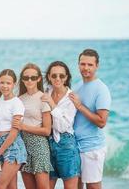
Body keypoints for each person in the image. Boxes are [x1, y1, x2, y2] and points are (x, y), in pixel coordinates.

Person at [69, 49, 112, 189]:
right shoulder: (77, 87)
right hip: (75, 147)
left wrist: (80, 106)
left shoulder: (101, 89)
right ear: (78, 65)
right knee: (76, 186)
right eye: (82, 64)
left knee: (93, 187)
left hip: (92, 148)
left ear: (97, 66)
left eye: (90, 64)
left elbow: (102, 121)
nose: (85, 68)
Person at [12, 63, 52, 189]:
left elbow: (47, 131)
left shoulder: (43, 98)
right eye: (26, 77)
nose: (29, 80)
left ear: (39, 79)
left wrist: (24, 127)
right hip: (23, 146)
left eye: (33, 78)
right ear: (22, 79)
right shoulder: (19, 99)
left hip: (39, 146)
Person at [41, 61, 80, 189]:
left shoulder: (71, 98)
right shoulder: (46, 91)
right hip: (47, 145)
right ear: (49, 77)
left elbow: (63, 127)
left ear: (67, 77)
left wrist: (52, 103)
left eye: (61, 76)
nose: (57, 79)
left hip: (66, 146)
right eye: (54, 76)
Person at [0, 69, 27, 189]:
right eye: (2, 82)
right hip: (1, 145)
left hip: (13, 147)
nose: (5, 86)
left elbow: (14, 132)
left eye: (8, 83)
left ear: (14, 84)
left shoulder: (17, 103)